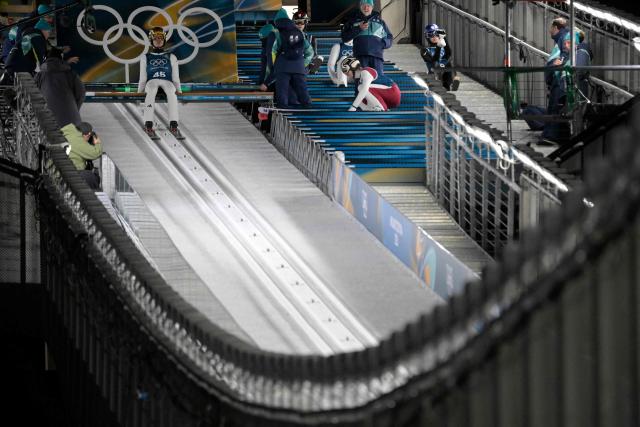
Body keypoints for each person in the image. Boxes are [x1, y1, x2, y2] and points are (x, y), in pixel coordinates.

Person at [138, 26, 182, 137]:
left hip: (167, 81)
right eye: (156, 38)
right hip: (151, 81)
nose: (158, 40)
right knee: (151, 90)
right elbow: (143, 78)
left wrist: (179, 91)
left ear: (164, 40)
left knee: (172, 91)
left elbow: (175, 78)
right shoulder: (145, 57)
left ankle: (174, 123)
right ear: (151, 40)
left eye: (161, 38)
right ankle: (148, 123)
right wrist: (139, 93)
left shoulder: (171, 56)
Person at [270, 8, 312, 109]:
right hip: (298, 66)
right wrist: (304, 64)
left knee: (282, 91)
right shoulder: (300, 34)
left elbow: (274, 50)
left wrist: (275, 66)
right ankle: (308, 108)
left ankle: (283, 109)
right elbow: (310, 52)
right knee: (302, 89)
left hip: (283, 66)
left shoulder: (278, 33)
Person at [35, 46, 85, 128]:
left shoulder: (40, 75)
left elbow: (33, 95)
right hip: (70, 119)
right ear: (61, 59)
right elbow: (81, 93)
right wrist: (75, 108)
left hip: (47, 119)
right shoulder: (71, 74)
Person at [62, 121, 102, 190]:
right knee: (92, 177)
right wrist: (97, 143)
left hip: (61, 171)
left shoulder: (68, 133)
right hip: (69, 174)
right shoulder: (78, 140)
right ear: (87, 135)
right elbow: (95, 153)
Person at [421, 23, 459, 91]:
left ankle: (454, 79)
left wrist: (444, 37)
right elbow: (433, 61)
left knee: (449, 60)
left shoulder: (443, 47)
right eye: (431, 35)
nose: (434, 37)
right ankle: (440, 81)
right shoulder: (425, 50)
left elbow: (448, 54)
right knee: (437, 64)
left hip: (446, 75)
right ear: (427, 37)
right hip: (434, 74)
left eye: (436, 34)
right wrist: (438, 47)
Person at [292, 10, 323, 74]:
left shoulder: (310, 38)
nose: (300, 24)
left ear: (306, 23)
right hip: (294, 62)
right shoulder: (289, 37)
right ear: (293, 23)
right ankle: (307, 70)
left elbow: (313, 54)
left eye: (302, 22)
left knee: (319, 58)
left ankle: (308, 69)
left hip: (305, 62)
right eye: (297, 22)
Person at [258, 22, 277, 92]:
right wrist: (260, 84)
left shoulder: (278, 49)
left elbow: (277, 70)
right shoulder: (265, 50)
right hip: (268, 83)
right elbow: (263, 68)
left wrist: (266, 83)